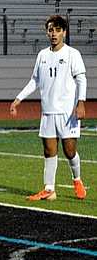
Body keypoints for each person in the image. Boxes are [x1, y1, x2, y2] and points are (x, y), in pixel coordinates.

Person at [10, 15, 87, 201]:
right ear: (47, 32)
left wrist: (81, 102)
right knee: (48, 151)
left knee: (69, 151)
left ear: (64, 32)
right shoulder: (42, 55)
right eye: (51, 30)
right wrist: (18, 99)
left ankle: (76, 179)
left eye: (58, 30)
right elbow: (34, 80)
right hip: (48, 111)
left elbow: (81, 78)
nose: (54, 33)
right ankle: (49, 189)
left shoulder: (72, 54)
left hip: (67, 113)